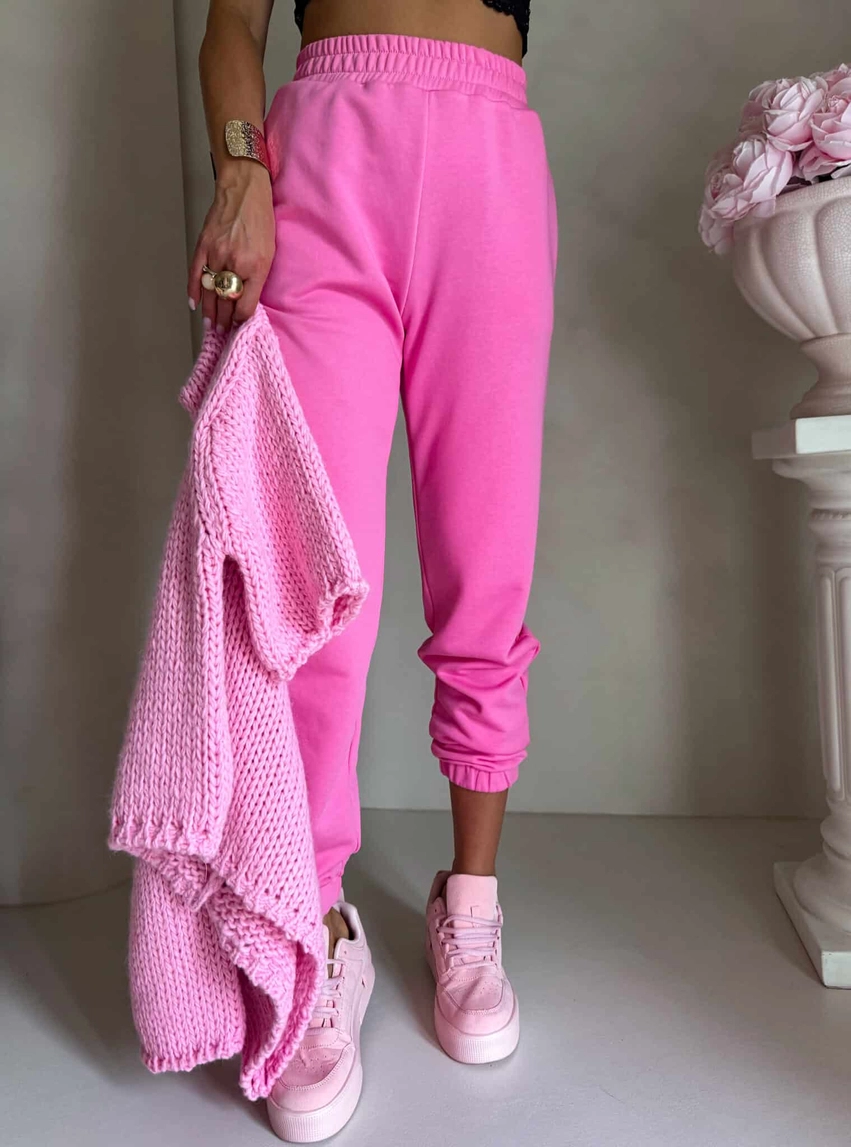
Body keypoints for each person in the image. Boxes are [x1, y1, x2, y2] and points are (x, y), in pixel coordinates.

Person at [188, 0, 556, 1139]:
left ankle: (471, 904)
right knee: (316, 596)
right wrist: (241, 170)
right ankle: (314, 929)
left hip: (489, 154)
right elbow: (231, 21)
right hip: (326, 157)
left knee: (486, 566)